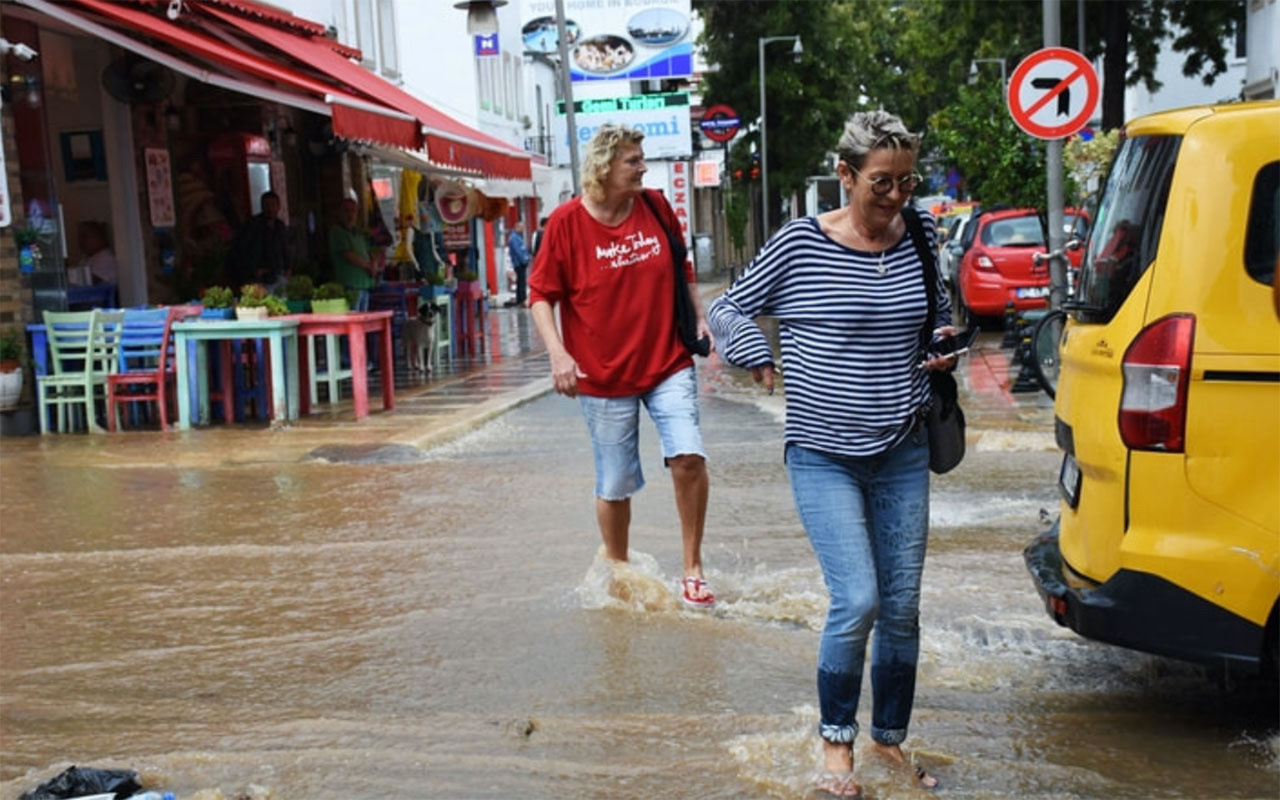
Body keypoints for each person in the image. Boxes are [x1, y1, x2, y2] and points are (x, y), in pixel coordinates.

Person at [707, 111, 953, 797]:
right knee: (860, 600)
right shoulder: (799, 244)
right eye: (882, 183)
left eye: (906, 182)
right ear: (845, 175)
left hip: (902, 443)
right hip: (823, 451)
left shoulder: (925, 235)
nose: (897, 197)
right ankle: (836, 743)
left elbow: (935, 310)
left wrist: (941, 340)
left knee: (902, 607)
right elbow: (728, 311)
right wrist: (757, 353)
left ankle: (891, 741)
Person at [528, 123, 716, 607]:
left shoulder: (656, 206)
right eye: (633, 160)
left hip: (667, 358)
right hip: (602, 373)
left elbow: (683, 267)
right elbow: (540, 295)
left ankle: (692, 569)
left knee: (688, 455)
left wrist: (698, 318)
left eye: (641, 158)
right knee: (614, 483)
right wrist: (558, 353)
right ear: (604, 167)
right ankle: (618, 569)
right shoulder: (567, 223)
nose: (642, 168)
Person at [329, 196, 381, 311]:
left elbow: (370, 251)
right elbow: (349, 255)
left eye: (353, 211)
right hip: (350, 285)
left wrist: (374, 265)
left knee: (364, 321)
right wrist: (368, 266)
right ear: (340, 213)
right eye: (346, 211)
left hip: (365, 283)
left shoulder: (359, 233)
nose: (350, 215)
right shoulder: (337, 232)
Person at [234, 190, 290, 292]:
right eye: (267, 205)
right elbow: (243, 249)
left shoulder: (280, 226)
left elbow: (285, 248)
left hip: (278, 273)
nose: (270, 209)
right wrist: (254, 270)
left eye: (273, 205)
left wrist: (288, 266)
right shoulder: (252, 225)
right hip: (260, 276)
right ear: (262, 206)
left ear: (278, 207)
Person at [76, 221, 118, 285]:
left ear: (99, 237)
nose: (81, 241)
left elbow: (91, 280)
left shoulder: (106, 257)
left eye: (85, 237)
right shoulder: (88, 258)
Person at [504, 226, 531, 307]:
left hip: (520, 262)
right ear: (517, 227)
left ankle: (521, 299)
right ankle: (522, 300)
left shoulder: (518, 237)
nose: (522, 229)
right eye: (520, 227)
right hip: (519, 263)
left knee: (521, 282)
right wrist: (524, 260)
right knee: (521, 282)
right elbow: (518, 251)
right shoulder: (514, 238)